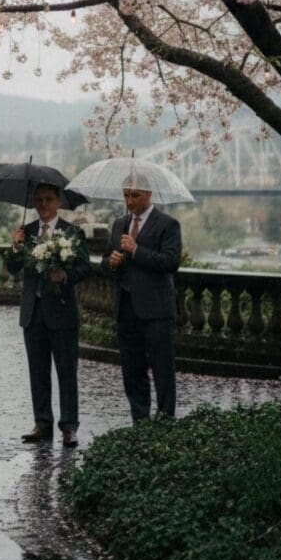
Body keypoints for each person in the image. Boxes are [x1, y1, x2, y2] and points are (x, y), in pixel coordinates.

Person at [5, 184, 90, 447]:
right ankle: (42, 423)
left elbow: (85, 267)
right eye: (39, 200)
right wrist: (16, 248)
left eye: (48, 199)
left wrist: (64, 276)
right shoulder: (27, 232)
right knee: (37, 371)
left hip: (62, 312)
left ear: (58, 201)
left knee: (67, 372)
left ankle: (69, 427)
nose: (43, 204)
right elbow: (11, 268)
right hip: (33, 313)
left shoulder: (72, 232)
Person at [103, 175, 181, 422]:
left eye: (135, 195)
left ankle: (166, 419)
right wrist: (111, 263)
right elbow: (106, 262)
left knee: (162, 369)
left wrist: (136, 250)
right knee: (132, 369)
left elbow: (170, 262)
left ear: (149, 194)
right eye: (126, 195)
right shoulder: (119, 224)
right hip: (126, 308)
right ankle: (140, 420)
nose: (129, 201)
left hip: (156, 310)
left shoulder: (168, 224)